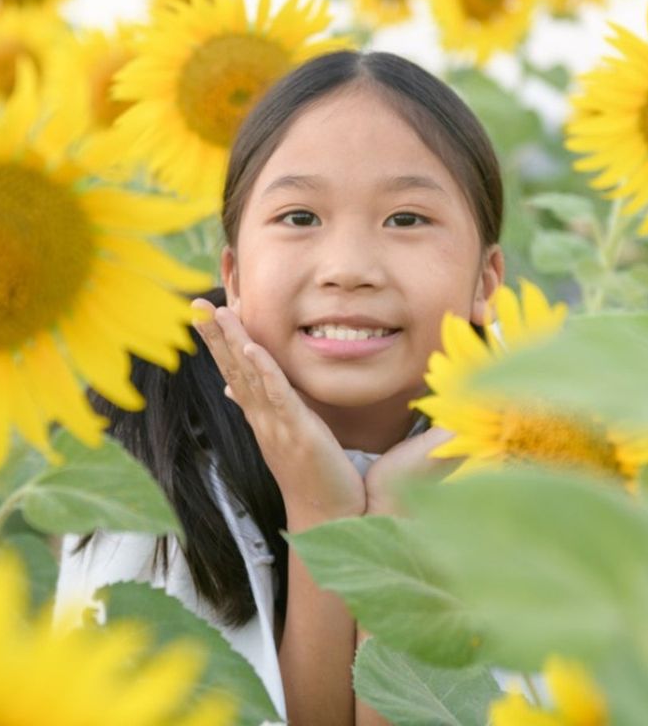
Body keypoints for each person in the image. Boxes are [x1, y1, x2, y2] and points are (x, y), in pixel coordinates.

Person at [54, 50, 505, 726]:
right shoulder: (150, 468)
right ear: (233, 275)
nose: (349, 269)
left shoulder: (555, 474)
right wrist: (321, 510)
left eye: (406, 219)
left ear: (486, 283)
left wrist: (398, 522)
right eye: (300, 217)